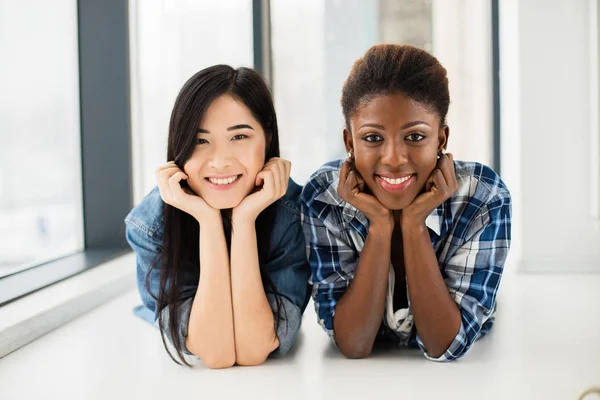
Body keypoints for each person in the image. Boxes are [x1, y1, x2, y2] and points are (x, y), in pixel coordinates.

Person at [301, 44, 512, 361]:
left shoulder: (483, 197)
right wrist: (381, 226)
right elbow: (354, 344)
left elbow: (445, 344)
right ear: (349, 142)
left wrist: (414, 225)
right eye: (372, 138)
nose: (394, 159)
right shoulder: (324, 196)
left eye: (415, 137)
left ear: (441, 140)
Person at [125, 65, 311, 368]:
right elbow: (216, 353)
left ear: (267, 136)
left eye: (239, 136)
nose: (220, 161)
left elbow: (255, 349)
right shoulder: (152, 225)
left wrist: (245, 219)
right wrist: (208, 221)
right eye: (200, 141)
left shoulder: (291, 212)